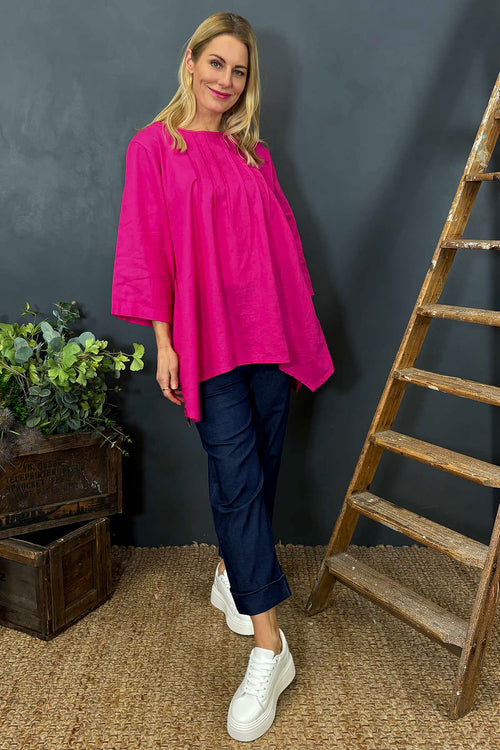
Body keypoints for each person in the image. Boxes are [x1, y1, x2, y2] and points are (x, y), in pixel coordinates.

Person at [111, 12, 333, 742]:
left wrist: (298, 326)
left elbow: (282, 243)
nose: (226, 81)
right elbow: (145, 246)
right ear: (191, 61)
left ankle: (227, 574)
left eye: (239, 71)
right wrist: (164, 342)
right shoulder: (154, 146)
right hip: (207, 342)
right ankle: (271, 650)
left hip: (269, 332)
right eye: (216, 64)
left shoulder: (254, 155)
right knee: (235, 475)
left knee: (259, 469)